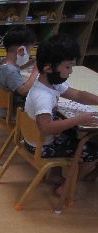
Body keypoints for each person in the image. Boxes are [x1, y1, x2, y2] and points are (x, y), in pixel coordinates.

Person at [24, 33, 98, 193]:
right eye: (68, 67)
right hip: (41, 146)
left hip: (35, 139)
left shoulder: (50, 83)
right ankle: (66, 188)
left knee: (74, 134)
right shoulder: (43, 96)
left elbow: (78, 95)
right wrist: (79, 119)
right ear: (48, 68)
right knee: (93, 153)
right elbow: (46, 128)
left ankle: (54, 175)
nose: (70, 72)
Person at [0, 26, 38, 116]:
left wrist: (33, 61)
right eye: (29, 51)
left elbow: (18, 67)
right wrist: (35, 71)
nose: (29, 54)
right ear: (21, 50)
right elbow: (24, 91)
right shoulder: (11, 72)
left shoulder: (4, 62)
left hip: (3, 107)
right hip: (12, 112)